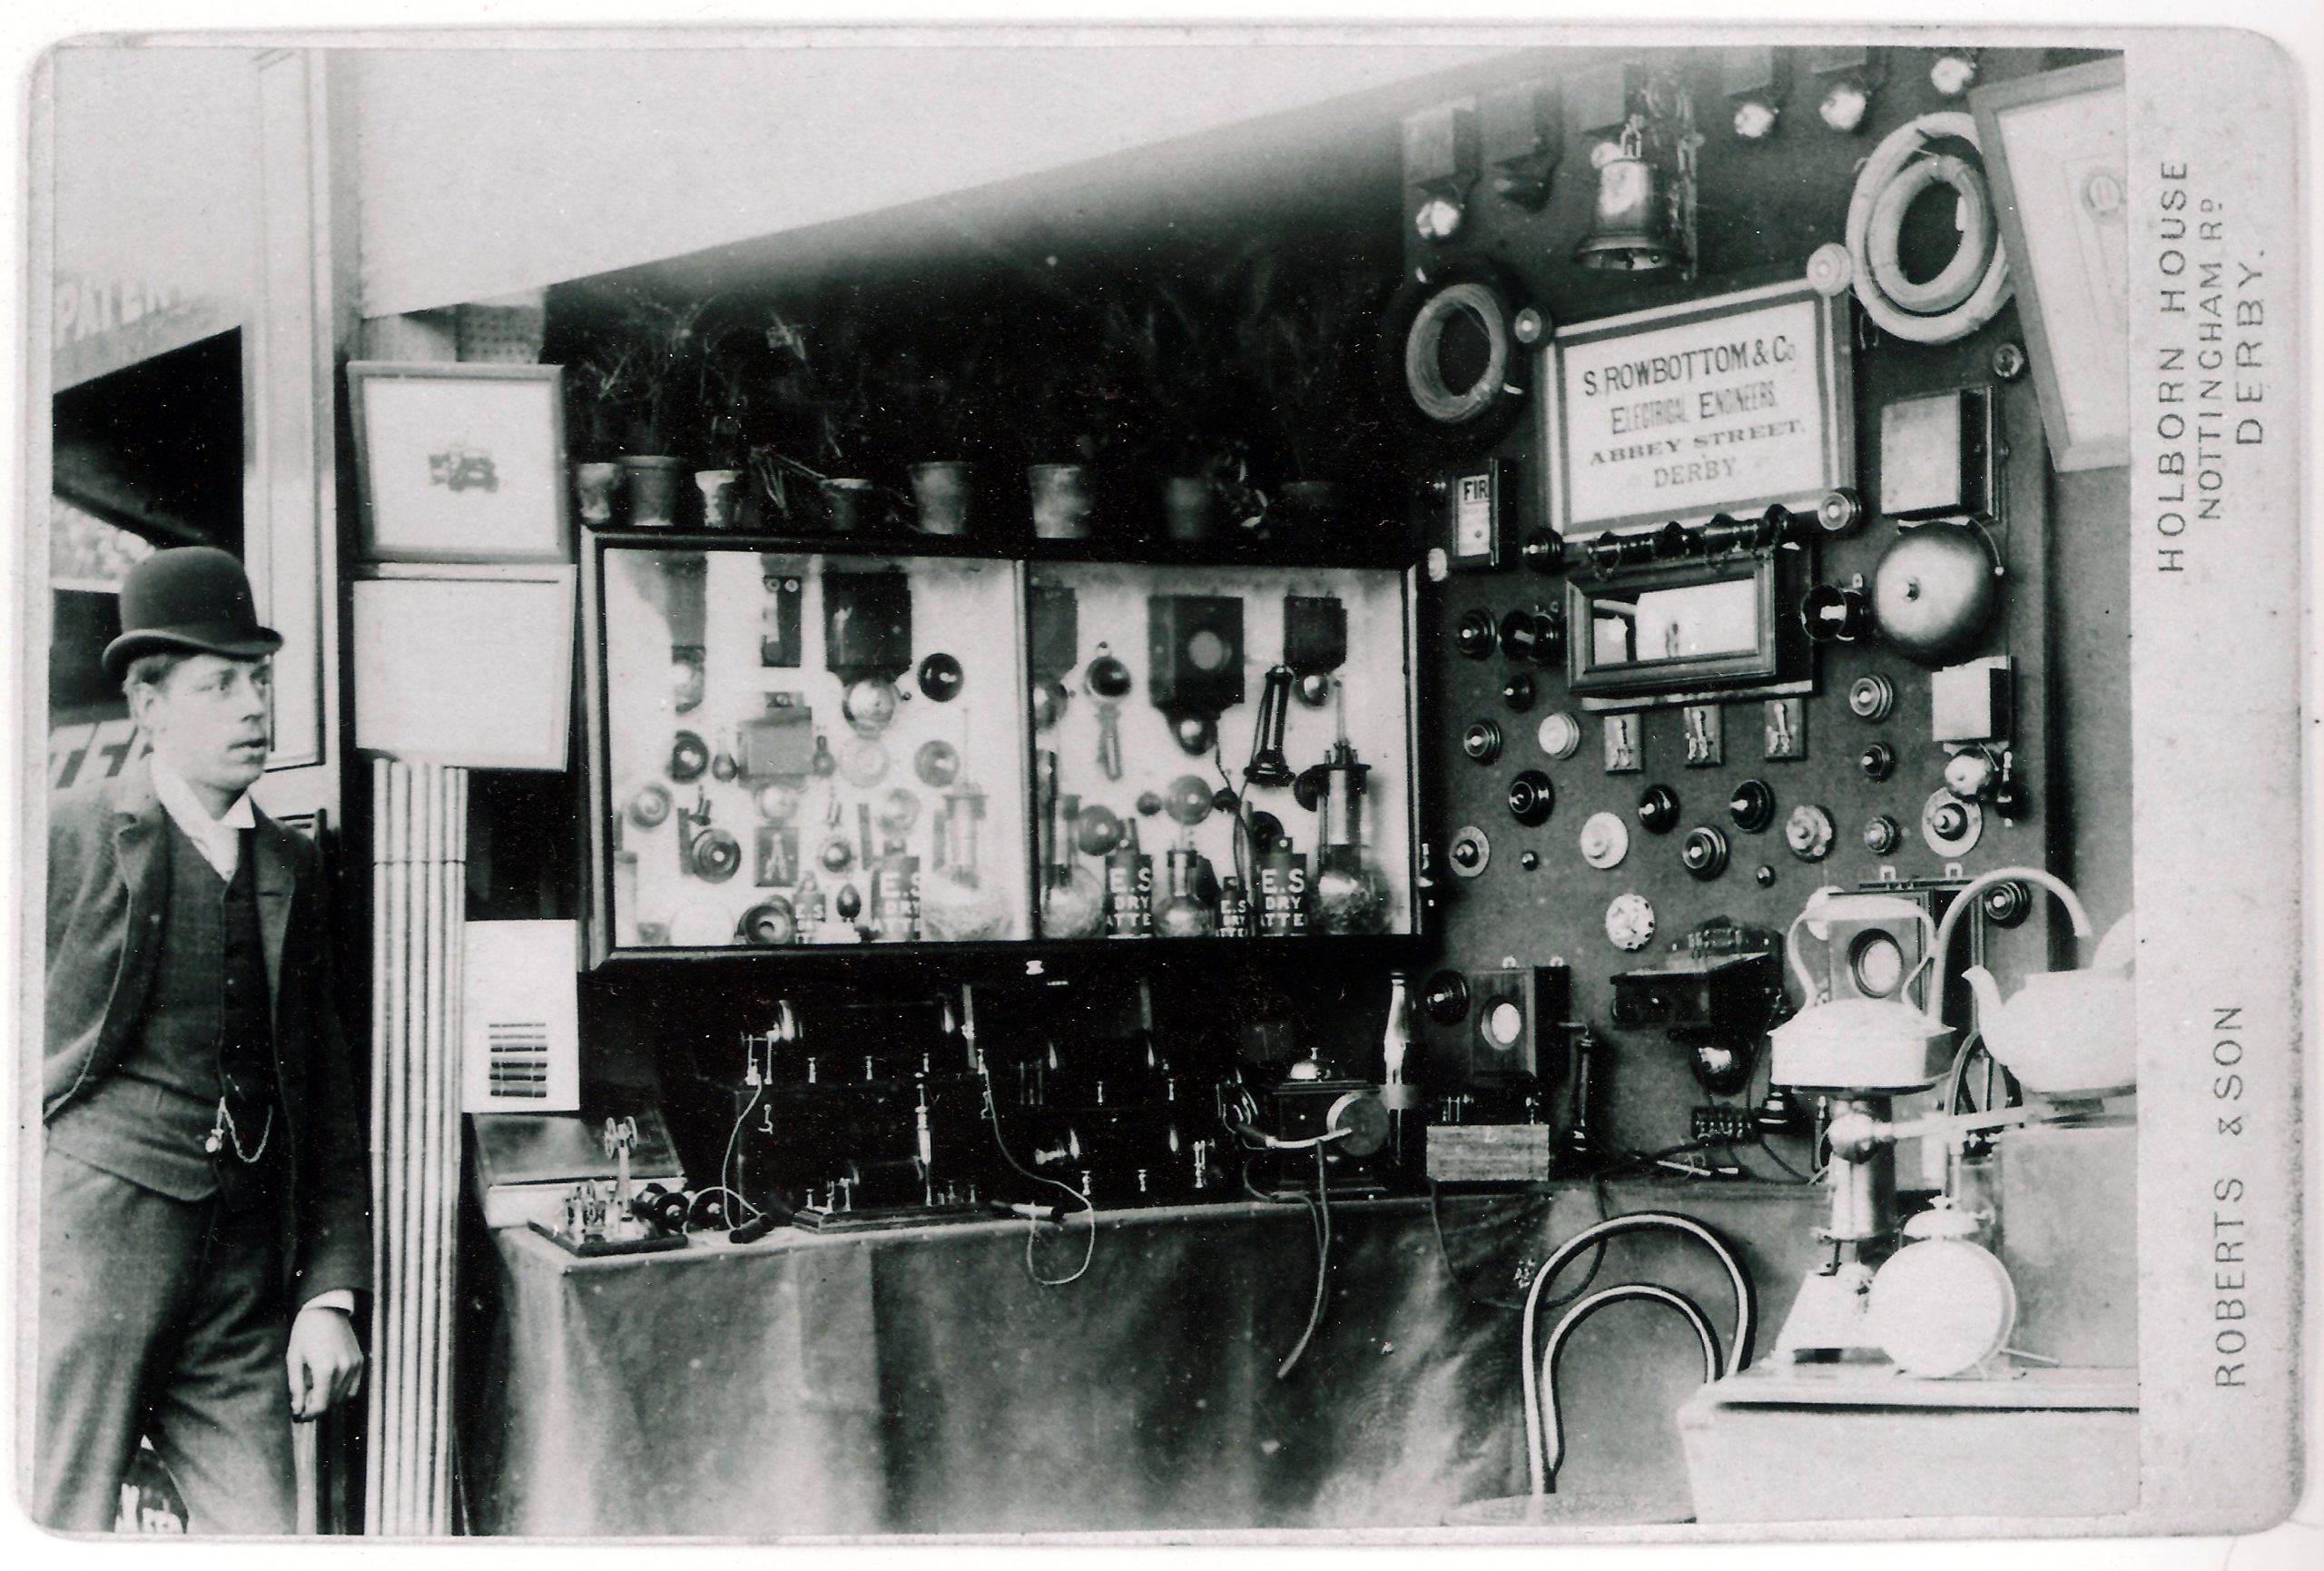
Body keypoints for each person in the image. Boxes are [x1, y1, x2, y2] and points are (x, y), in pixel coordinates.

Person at [36, 546, 370, 1534]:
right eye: (219, 684)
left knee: (263, 1532)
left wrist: (330, 1291)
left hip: (239, 1282)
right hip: (94, 1257)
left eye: (258, 679)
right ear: (149, 705)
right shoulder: (64, 833)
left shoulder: (292, 864)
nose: (253, 707)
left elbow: (324, 1089)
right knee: (54, 1520)